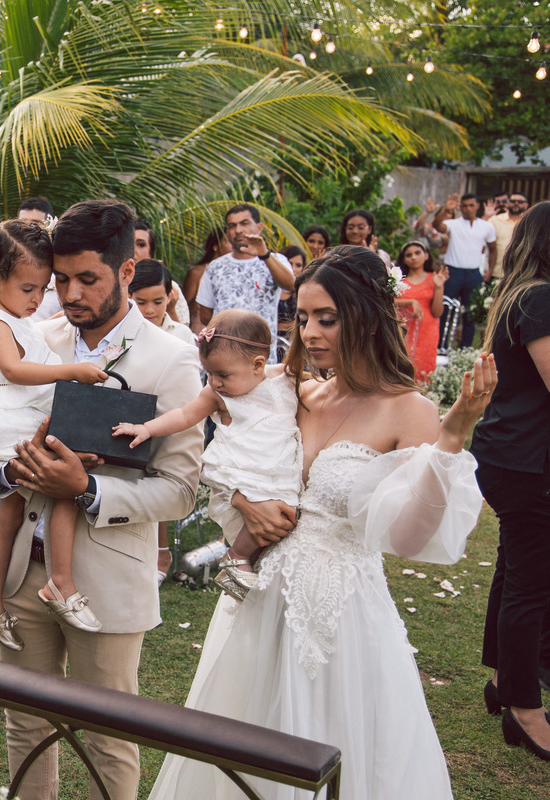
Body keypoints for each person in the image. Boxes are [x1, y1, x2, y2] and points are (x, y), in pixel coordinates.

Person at [148, 245, 496, 800]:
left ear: (365, 315)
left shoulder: (411, 411)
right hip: (262, 598)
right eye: (303, 316)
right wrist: (243, 503)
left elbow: (408, 538)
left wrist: (451, 437)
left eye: (326, 318)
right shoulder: (298, 395)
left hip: (342, 616)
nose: (308, 332)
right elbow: (234, 459)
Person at [0, 199, 204, 800]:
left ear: (126, 272)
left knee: (108, 740)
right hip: (20, 569)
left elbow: (180, 489)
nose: (68, 293)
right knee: (25, 728)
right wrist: (15, 474)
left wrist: (88, 489)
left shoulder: (171, 359)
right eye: (60, 279)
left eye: (86, 279)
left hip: (106, 583)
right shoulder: (31, 338)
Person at [0, 220, 111, 649]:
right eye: (29, 289)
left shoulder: (16, 318)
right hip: (9, 416)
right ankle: (59, 583)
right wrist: (73, 371)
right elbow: (14, 370)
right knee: (66, 485)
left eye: (43, 289)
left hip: (20, 412)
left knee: (8, 516)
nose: (37, 299)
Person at [113, 309, 301, 601]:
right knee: (263, 503)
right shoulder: (217, 395)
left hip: (277, 465)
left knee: (281, 512)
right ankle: (237, 556)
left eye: (223, 374)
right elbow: (185, 414)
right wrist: (147, 428)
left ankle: (243, 559)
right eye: (209, 373)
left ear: (258, 364)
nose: (214, 382)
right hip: (242, 467)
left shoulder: (282, 380)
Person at [472, 200, 550, 762]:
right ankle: (526, 709)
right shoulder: (541, 298)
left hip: (508, 452)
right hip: (529, 459)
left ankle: (504, 682)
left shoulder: (517, 296)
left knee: (515, 565)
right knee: (532, 579)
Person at [129, 258, 195, 586]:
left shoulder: (181, 334)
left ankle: (161, 549)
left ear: (170, 296)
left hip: (170, 416)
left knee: (160, 479)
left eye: (157, 301)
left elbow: (189, 386)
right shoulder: (126, 330)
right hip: (130, 414)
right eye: (140, 302)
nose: (149, 309)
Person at [195, 204, 295, 361]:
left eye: (244, 223)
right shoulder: (215, 267)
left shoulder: (275, 260)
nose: (238, 230)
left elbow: (290, 285)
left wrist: (265, 255)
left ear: (259, 227)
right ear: (227, 233)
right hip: (223, 356)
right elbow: (205, 315)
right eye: (232, 226)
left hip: (262, 358)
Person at [434, 192, 497, 348]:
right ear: (460, 207)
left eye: (471, 205)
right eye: (465, 206)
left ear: (477, 206)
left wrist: (489, 270)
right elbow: (437, 225)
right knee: (447, 309)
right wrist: (445, 209)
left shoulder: (487, 227)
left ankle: (465, 348)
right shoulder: (454, 224)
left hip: (474, 273)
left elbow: (493, 249)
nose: (468, 209)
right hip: (453, 271)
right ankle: (441, 346)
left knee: (470, 313)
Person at [395, 240, 447, 382]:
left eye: (417, 253)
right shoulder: (399, 280)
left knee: (424, 369)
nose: (413, 257)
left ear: (426, 256)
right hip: (403, 330)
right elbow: (388, 302)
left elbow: (437, 312)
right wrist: (411, 302)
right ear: (403, 259)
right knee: (402, 367)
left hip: (427, 329)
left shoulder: (434, 278)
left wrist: (439, 287)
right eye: (408, 255)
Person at [134, 218, 187, 325]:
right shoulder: (111, 286)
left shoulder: (171, 288)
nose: (133, 250)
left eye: (141, 244)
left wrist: (170, 310)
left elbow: (184, 336)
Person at [183, 227, 232, 331]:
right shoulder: (198, 272)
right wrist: (203, 292)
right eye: (229, 241)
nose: (234, 246)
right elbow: (185, 311)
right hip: (200, 333)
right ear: (215, 246)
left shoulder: (237, 273)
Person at [490, 191, 530, 281]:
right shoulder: (494, 221)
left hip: (521, 275)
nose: (516, 203)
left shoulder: (530, 223)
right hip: (496, 273)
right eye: (513, 201)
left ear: (526, 205)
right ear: (508, 203)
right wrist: (485, 217)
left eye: (520, 202)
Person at [275, 245, 306, 335]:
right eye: (289, 263)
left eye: (298, 265)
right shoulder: (268, 289)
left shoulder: (303, 293)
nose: (293, 269)